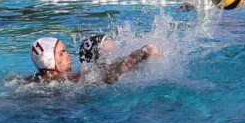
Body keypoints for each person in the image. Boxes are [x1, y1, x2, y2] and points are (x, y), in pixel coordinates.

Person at [26, 36, 158, 84]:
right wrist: (140, 54)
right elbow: (107, 76)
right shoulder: (64, 79)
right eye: (61, 53)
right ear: (48, 60)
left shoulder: (34, 79)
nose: (68, 56)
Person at [78, 34, 159, 84]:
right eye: (110, 52)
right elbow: (112, 75)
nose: (115, 52)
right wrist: (143, 52)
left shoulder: (89, 77)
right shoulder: (101, 75)